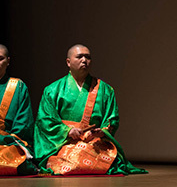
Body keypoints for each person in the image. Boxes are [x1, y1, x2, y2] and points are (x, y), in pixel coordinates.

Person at [34, 44, 146, 175]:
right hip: (64, 142)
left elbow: (112, 119)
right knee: (66, 161)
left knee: (101, 160)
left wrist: (102, 132)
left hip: (93, 142)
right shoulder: (52, 90)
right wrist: (67, 131)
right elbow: (46, 120)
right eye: (79, 57)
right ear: (68, 62)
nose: (84, 60)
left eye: (87, 57)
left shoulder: (105, 89)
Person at [0, 44, 40, 175]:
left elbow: (24, 124)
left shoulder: (17, 86)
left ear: (8, 61)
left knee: (18, 163)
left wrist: (5, 139)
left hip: (8, 143)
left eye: (0, 58)